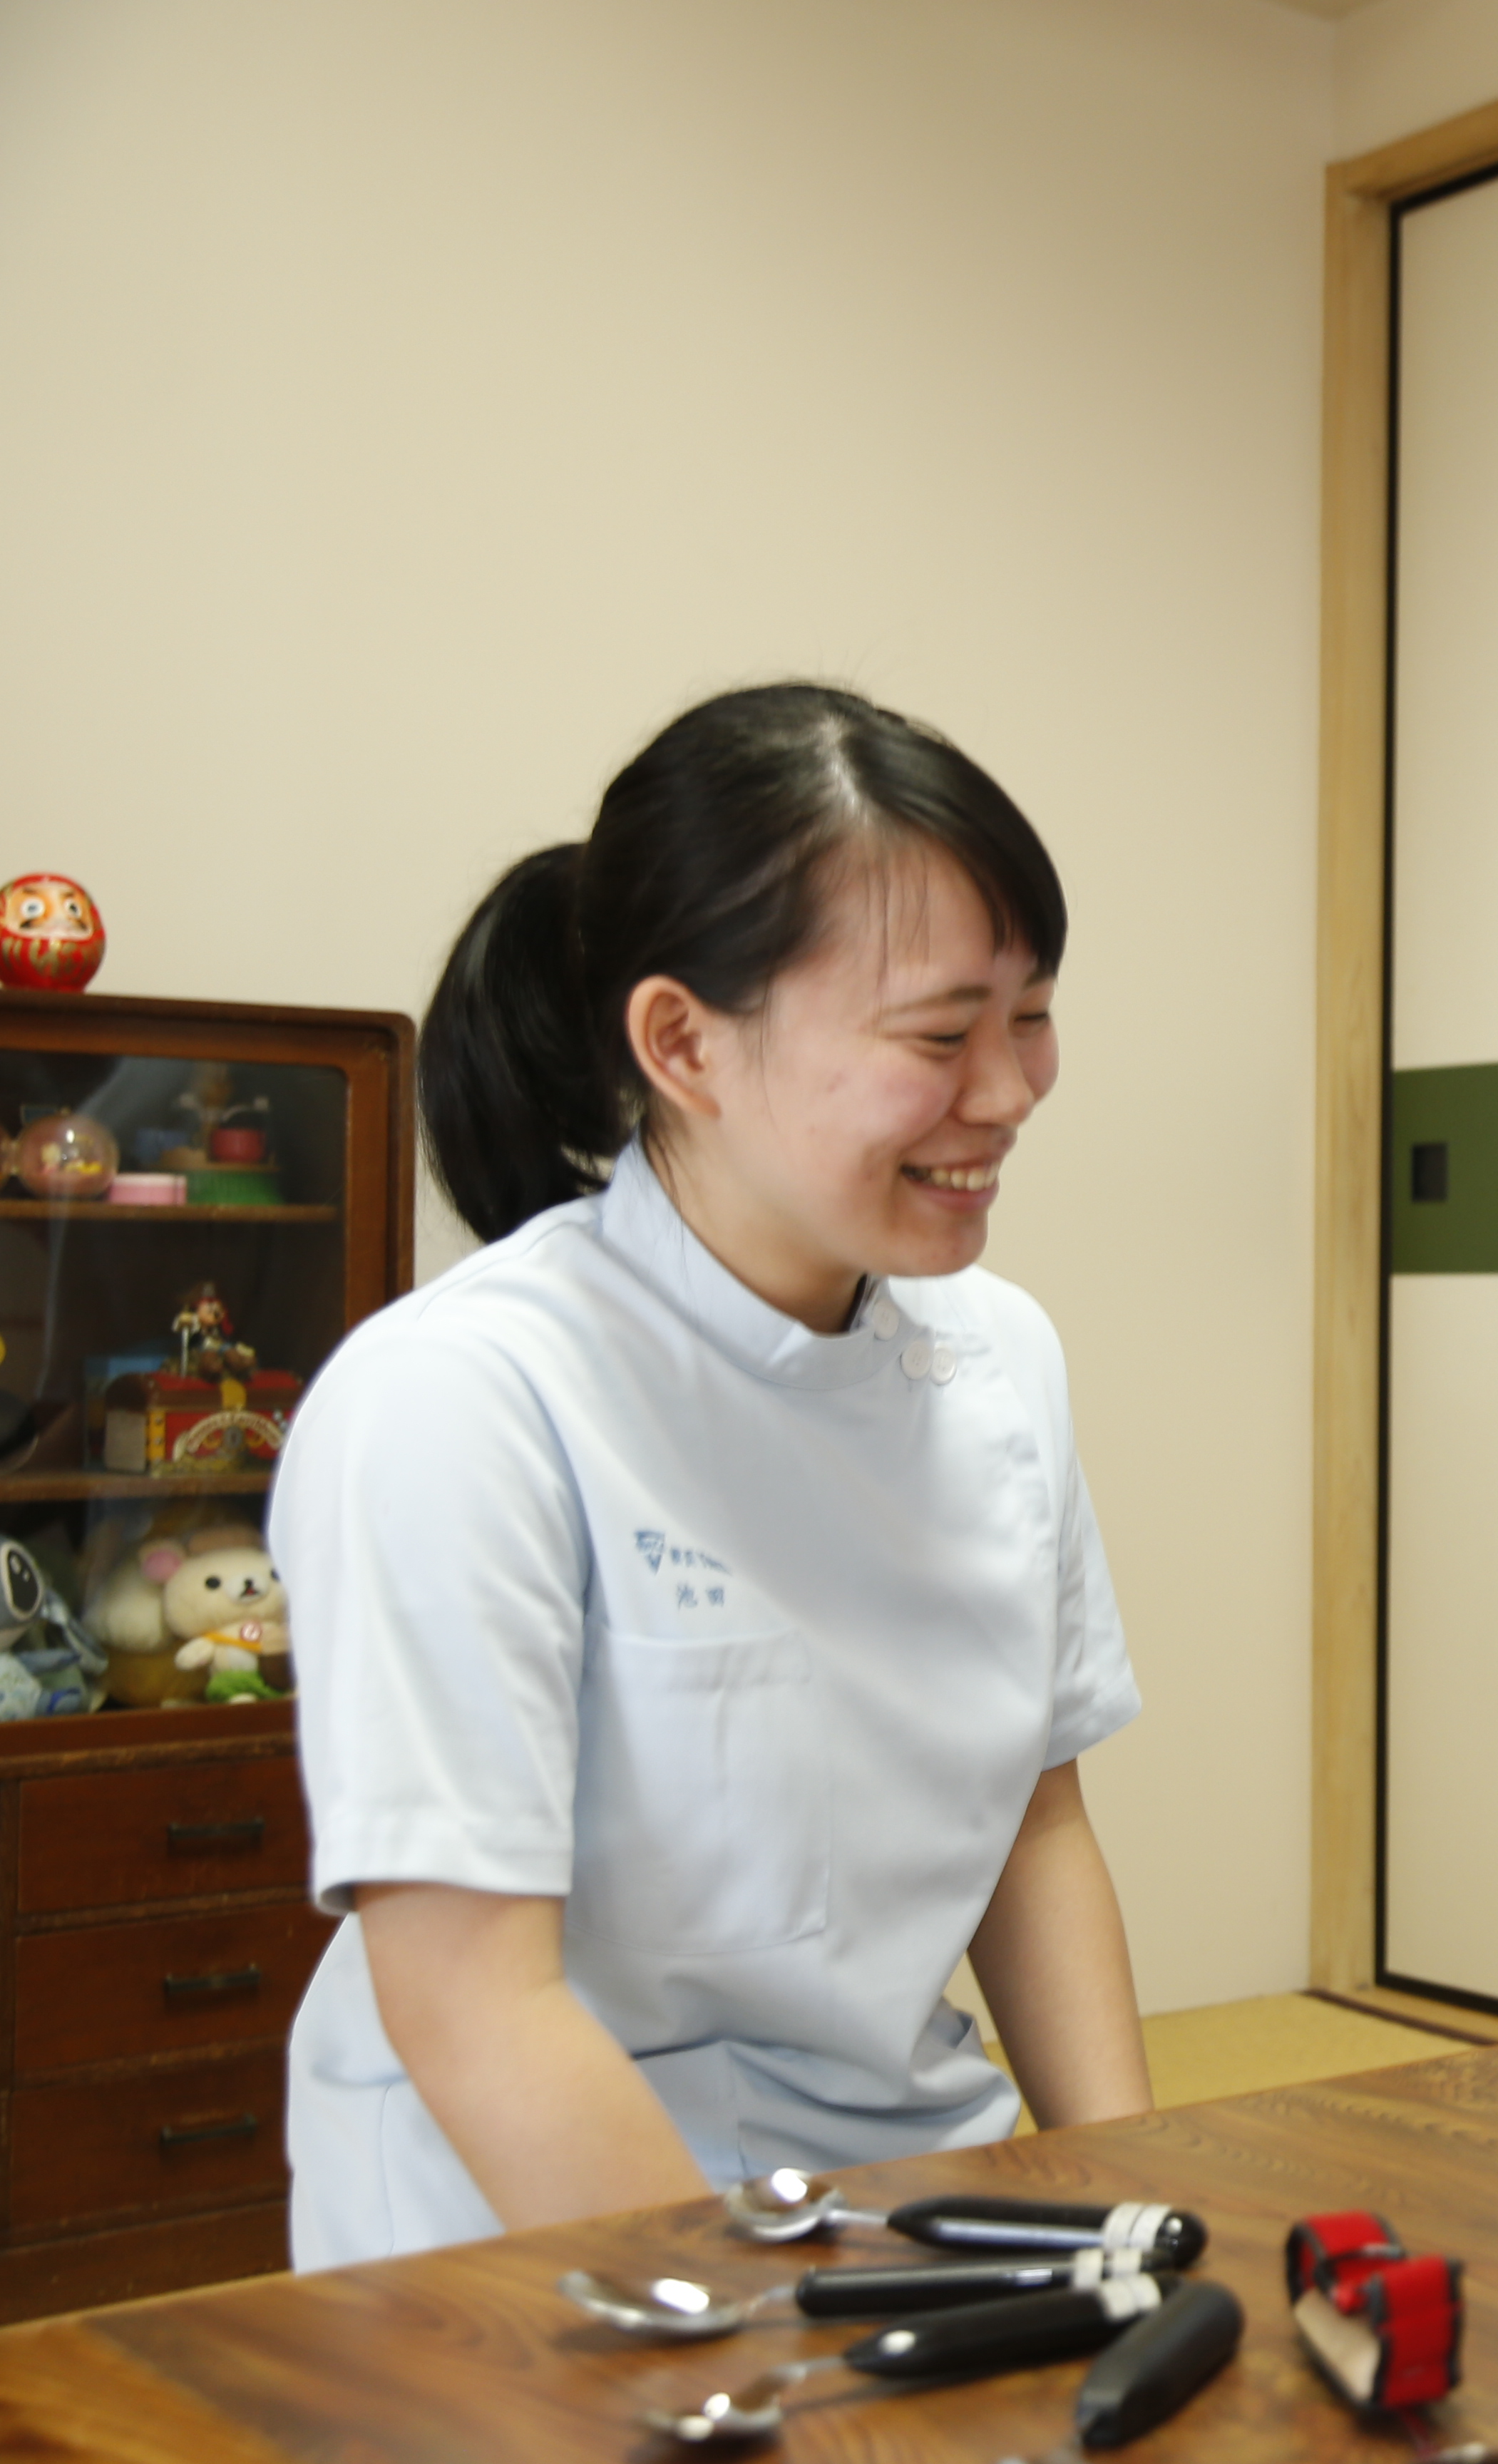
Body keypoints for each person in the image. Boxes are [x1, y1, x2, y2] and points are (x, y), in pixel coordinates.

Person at [277, 683, 1152, 2266]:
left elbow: (1034, 1827)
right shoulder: (459, 1402)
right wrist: (742, 2335)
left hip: (914, 2191)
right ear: (682, 1041)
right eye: (942, 1035)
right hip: (529, 2246)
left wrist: (1136, 2207)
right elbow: (475, 1997)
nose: (1013, 1091)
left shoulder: (998, 1359)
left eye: (1029, 1015)